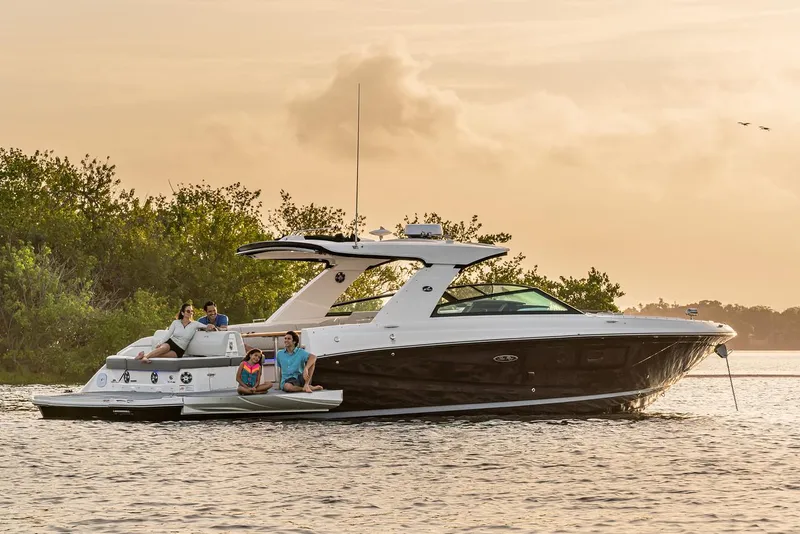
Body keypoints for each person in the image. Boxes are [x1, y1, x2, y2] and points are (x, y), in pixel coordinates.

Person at [134, 303, 211, 363]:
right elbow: (168, 335)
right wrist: (160, 343)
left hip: (180, 349)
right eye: (188, 311)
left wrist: (211, 327)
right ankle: (145, 357)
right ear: (183, 313)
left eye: (192, 311)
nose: (190, 313)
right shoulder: (175, 322)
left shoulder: (195, 324)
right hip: (171, 342)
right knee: (163, 348)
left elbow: (206, 327)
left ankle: (143, 355)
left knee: (161, 355)